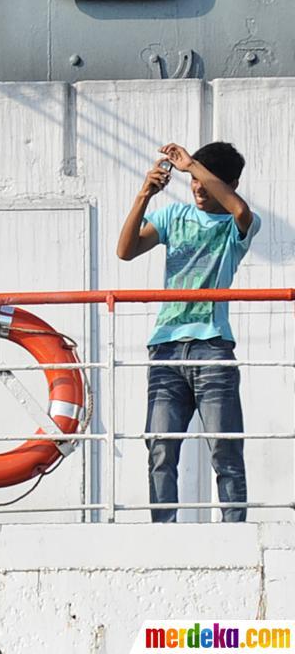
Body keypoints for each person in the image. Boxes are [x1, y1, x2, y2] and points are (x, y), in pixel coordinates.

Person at [117, 141, 261, 522]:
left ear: (227, 182)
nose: (196, 188)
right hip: (165, 349)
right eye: (192, 182)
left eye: (202, 181)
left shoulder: (237, 224)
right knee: (160, 448)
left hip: (212, 347)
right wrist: (144, 195)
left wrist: (192, 165)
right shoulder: (174, 216)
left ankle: (235, 531)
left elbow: (240, 208)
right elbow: (125, 250)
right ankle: (165, 531)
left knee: (225, 449)